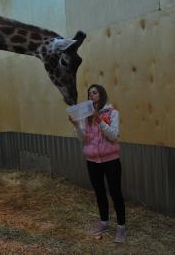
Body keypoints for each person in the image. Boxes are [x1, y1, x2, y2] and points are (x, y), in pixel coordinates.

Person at [68, 84, 126, 243]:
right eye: (89, 94)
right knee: (99, 192)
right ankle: (104, 222)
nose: (91, 95)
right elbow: (82, 138)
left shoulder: (112, 113)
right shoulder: (85, 116)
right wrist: (76, 126)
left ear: (102, 95)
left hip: (111, 161)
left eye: (94, 93)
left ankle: (121, 227)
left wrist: (99, 120)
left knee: (116, 193)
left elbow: (113, 135)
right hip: (93, 161)